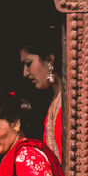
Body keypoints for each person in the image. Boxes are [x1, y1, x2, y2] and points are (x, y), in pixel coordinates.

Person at [19, 32, 63, 161]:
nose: (25, 73)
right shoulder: (54, 99)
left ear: (49, 59)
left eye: (28, 64)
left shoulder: (71, 98)